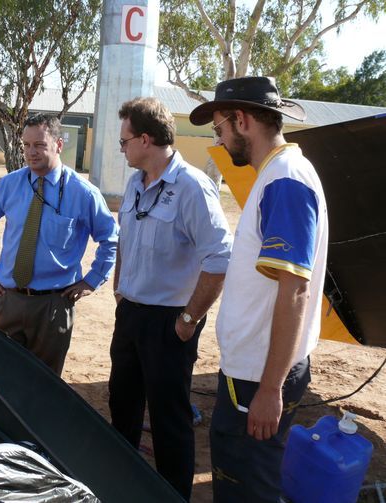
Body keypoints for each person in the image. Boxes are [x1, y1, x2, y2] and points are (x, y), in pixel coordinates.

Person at [189, 76, 329, 502]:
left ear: (242, 120)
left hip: (259, 379)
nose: (220, 139)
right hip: (254, 373)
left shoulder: (284, 179)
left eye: (219, 129)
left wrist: (270, 388)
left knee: (247, 487)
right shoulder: (277, 175)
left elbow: (295, 291)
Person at [109, 97, 232, 501]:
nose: (122, 147)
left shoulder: (193, 188)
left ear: (146, 139)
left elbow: (220, 258)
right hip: (130, 315)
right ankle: (122, 484)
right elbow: (126, 234)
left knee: (169, 420)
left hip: (169, 323)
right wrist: (119, 284)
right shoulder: (135, 182)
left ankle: (171, 495)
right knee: (122, 406)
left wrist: (188, 319)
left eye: (125, 140)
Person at [0, 113, 118, 375]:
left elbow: (111, 239)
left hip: (53, 307)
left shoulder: (82, 193)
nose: (31, 152)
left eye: (39, 145)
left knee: (44, 386)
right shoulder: (10, 184)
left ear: (59, 145)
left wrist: (92, 280)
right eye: (26, 145)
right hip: (8, 301)